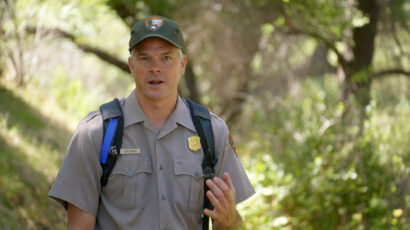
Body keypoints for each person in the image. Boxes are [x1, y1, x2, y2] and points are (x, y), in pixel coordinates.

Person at [49, 15, 254, 230]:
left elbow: (230, 225)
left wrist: (230, 220)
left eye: (166, 58)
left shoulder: (212, 132)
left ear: (182, 64)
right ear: (131, 65)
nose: (155, 67)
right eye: (145, 58)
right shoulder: (96, 133)